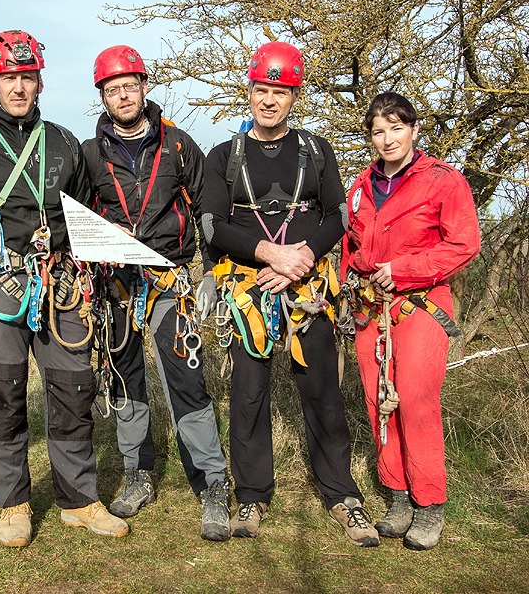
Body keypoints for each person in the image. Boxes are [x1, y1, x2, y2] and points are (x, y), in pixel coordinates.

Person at [0, 30, 128, 548]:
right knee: (5, 392)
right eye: (8, 79)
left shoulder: (64, 143)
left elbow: (84, 215)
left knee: (73, 389)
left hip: (60, 285)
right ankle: (14, 501)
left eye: (26, 78)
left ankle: (79, 498)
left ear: (39, 81)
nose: (18, 88)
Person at [201, 41, 379, 546]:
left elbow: (338, 217)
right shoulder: (225, 156)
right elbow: (212, 225)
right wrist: (270, 254)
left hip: (308, 290)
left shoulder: (316, 152)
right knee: (249, 395)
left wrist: (299, 259)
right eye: (262, 90)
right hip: (250, 290)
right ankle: (252, 495)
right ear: (250, 92)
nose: (269, 100)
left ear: (293, 96)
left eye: (279, 91)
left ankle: (342, 496)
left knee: (322, 391)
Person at [82, 45, 230, 541]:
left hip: (170, 282)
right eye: (112, 89)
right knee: (126, 381)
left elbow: (207, 211)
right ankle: (137, 473)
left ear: (145, 86)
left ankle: (212, 482)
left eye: (129, 86)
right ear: (102, 96)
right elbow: (74, 215)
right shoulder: (89, 154)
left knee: (187, 380)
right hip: (116, 286)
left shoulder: (179, 146)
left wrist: (210, 270)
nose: (122, 95)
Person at [340, 92, 480, 550]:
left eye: (396, 128)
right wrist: (348, 288)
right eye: (378, 131)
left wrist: (401, 270)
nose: (388, 138)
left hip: (421, 305)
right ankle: (397, 494)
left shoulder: (443, 181)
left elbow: (463, 245)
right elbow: (350, 248)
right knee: (378, 403)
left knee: (417, 400)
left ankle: (430, 502)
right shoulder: (360, 187)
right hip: (369, 308)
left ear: (414, 130)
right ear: (370, 136)